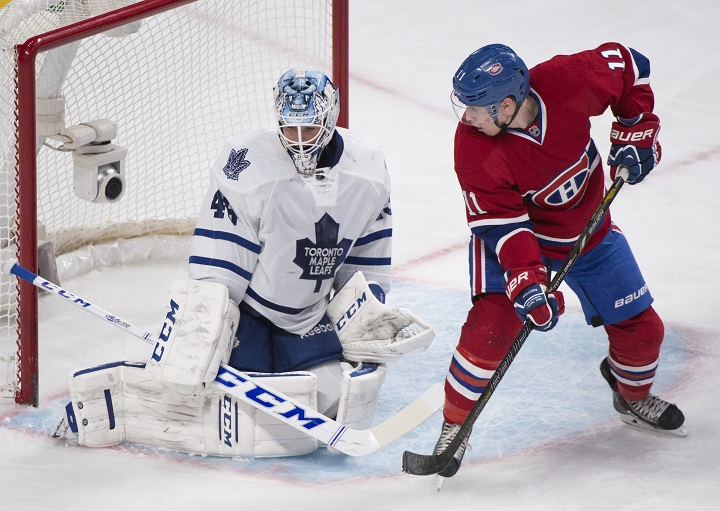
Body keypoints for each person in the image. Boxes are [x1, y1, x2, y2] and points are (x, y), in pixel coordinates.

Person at [54, 69, 434, 458]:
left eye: (309, 129)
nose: (300, 141)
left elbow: (366, 253)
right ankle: (120, 401)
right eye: (289, 129)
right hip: (249, 313)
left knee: (328, 404)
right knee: (203, 394)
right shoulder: (247, 165)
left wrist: (367, 308)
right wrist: (202, 325)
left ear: (330, 116)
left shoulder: (367, 169)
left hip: (307, 316)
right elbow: (220, 256)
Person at [432, 43, 685, 479]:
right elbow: (504, 228)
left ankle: (631, 395)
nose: (466, 118)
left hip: (589, 230)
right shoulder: (473, 147)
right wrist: (528, 282)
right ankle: (453, 431)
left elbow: (631, 63)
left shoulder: (570, 79)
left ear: (507, 105)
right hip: (517, 241)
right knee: (493, 329)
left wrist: (636, 127)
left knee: (644, 333)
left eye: (475, 108)